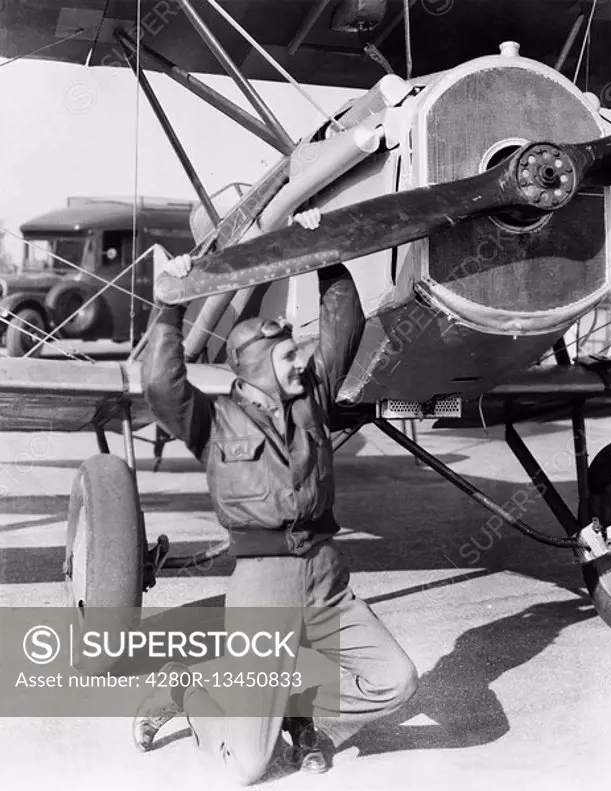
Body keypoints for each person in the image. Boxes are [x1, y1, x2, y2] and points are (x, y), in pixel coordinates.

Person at [135, 207, 418, 783]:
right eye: (289, 358)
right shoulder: (211, 421)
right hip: (262, 587)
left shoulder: (311, 397)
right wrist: (169, 303)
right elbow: (162, 383)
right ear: (254, 370)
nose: (301, 363)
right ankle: (188, 690)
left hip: (326, 578)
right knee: (248, 768)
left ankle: (297, 705)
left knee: (396, 679)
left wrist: (323, 250)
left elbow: (343, 325)